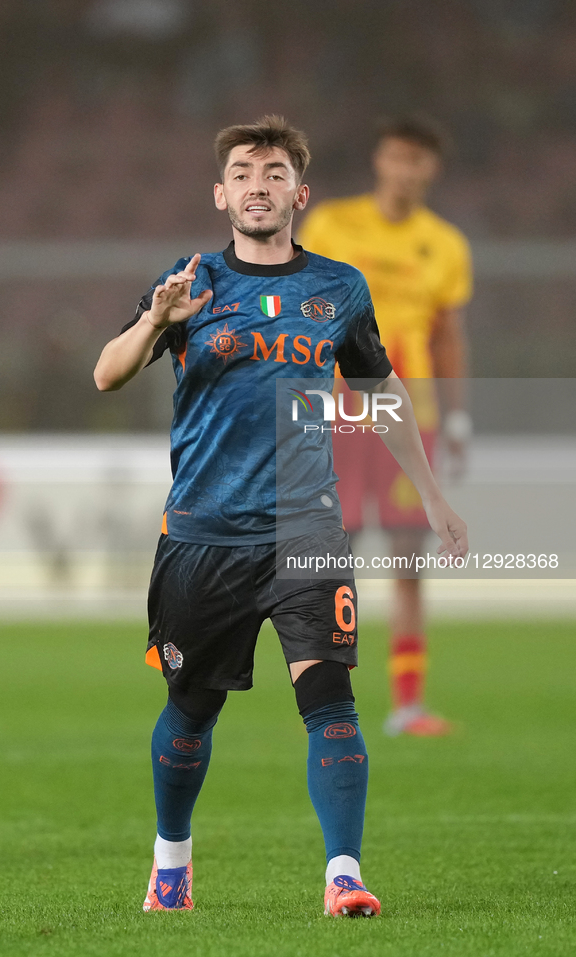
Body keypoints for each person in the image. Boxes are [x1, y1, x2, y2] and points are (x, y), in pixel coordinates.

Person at [94, 115, 467, 916]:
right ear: (220, 192)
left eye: (272, 173)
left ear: (299, 192)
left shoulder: (337, 289)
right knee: (191, 709)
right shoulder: (189, 280)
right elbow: (106, 373)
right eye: (242, 172)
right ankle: (171, 860)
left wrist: (431, 492)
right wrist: (158, 320)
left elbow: (382, 393)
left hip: (306, 528)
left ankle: (343, 873)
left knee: (329, 695)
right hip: (203, 535)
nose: (256, 185)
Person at [300, 115, 473, 737]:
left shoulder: (446, 244)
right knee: (327, 558)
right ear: (380, 160)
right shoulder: (332, 226)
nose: (407, 168)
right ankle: (323, 704)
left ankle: (407, 704)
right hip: (338, 411)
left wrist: (456, 417)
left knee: (407, 563)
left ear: (432, 169)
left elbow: (447, 333)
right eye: (398, 156)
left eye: (418, 159)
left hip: (408, 415)